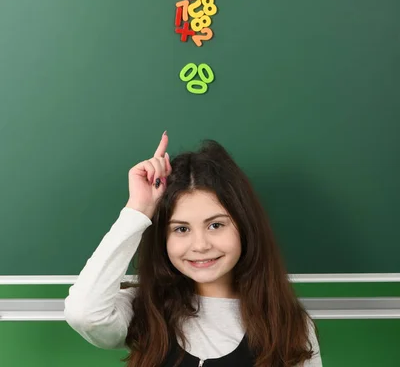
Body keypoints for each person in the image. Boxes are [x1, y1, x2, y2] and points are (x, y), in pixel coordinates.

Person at [64, 132, 323, 367]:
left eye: (216, 225)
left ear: (244, 227)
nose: (200, 245)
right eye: (181, 229)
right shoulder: (146, 309)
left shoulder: (289, 326)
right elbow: (84, 313)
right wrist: (138, 210)